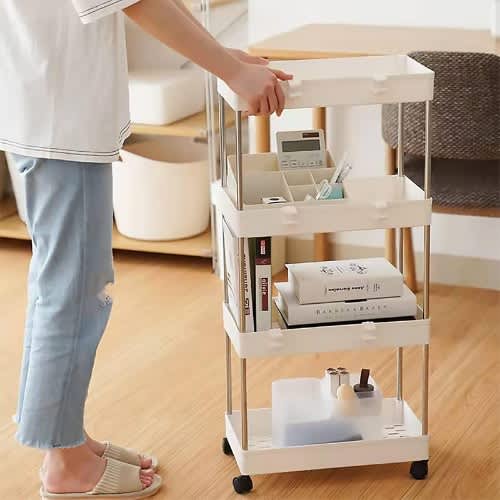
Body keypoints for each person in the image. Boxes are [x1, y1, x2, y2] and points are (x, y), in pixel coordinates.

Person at [0, 0, 292, 498]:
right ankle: (64, 464)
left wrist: (227, 59)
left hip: (50, 112)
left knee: (67, 285)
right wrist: (231, 70)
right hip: (59, 121)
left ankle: (64, 439)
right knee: (72, 291)